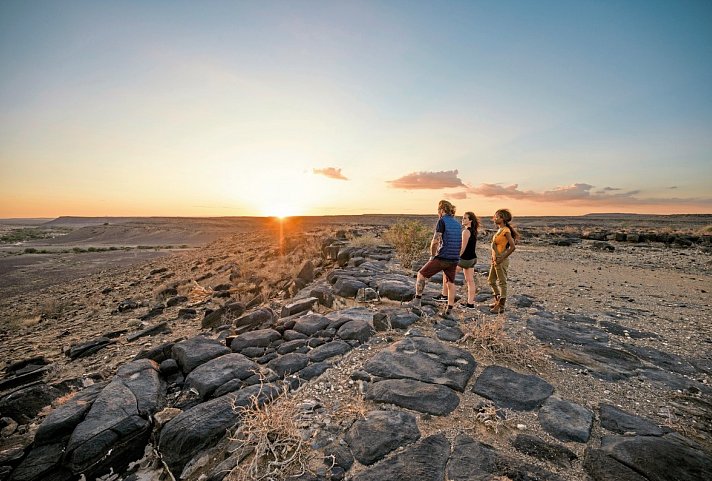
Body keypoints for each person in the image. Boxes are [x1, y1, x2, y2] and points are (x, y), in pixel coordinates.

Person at [411, 200, 462, 317]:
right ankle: (449, 310)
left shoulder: (442, 221)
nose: (438, 213)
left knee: (421, 275)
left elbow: (435, 241)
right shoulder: (457, 223)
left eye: (438, 210)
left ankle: (417, 301)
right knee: (450, 282)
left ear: (442, 210)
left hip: (443, 257)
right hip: (454, 258)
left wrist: (432, 256)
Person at [434, 211, 479, 309]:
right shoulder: (474, 231)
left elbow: (462, 248)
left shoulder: (465, 231)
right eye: (463, 218)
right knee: (470, 281)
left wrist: (455, 258)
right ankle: (470, 304)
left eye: (465, 218)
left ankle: (444, 296)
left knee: (446, 274)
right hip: (472, 259)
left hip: (464, 259)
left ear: (470, 220)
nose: (462, 220)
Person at [488, 208, 518, 313]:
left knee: (502, 282)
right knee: (491, 281)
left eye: (497, 216)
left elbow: (513, 247)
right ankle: (498, 301)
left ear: (503, 218)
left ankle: (501, 305)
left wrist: (502, 257)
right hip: (495, 260)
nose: (494, 218)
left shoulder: (506, 230)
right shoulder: (499, 230)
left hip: (501, 260)